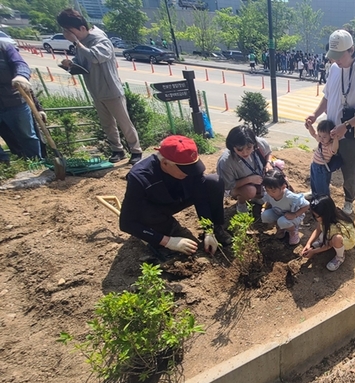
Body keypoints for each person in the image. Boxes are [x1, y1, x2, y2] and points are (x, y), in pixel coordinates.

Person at [119, 135, 231, 256]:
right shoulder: (140, 177)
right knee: (144, 212)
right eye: (185, 169)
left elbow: (201, 196)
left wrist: (209, 230)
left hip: (180, 198)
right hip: (157, 207)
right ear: (165, 163)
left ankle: (217, 229)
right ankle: (167, 229)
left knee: (213, 182)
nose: (191, 173)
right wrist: (168, 241)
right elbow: (126, 223)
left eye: (193, 167)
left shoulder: (190, 168)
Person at [56, 9, 142, 165]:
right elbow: (83, 60)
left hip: (111, 90)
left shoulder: (100, 40)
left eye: (69, 31)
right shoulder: (81, 44)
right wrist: (71, 64)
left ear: (82, 28)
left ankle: (136, 151)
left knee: (124, 123)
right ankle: (117, 150)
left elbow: (95, 57)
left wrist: (77, 42)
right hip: (95, 90)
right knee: (107, 123)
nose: (67, 35)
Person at [306, 29, 355, 215]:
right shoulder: (335, 68)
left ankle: (348, 200)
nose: (336, 60)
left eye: (340, 56)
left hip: (349, 133)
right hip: (330, 128)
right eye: (333, 55)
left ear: (352, 50)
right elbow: (327, 97)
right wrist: (314, 115)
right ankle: (320, 193)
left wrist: (346, 126)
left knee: (349, 167)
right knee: (323, 161)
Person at [0, 42, 43, 163]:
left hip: (14, 102)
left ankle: (36, 163)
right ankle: (5, 164)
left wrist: (21, 76)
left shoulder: (5, 48)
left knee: (27, 135)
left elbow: (20, 64)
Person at [216, 125, 273, 214]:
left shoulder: (259, 143)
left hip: (260, 180)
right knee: (250, 190)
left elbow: (268, 152)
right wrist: (249, 180)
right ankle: (241, 203)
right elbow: (228, 186)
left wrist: (268, 163)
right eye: (239, 149)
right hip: (239, 187)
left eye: (249, 148)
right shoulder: (226, 162)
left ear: (254, 143)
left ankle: (258, 197)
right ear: (232, 147)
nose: (245, 152)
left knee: (277, 176)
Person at [301, 195, 355, 271]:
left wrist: (313, 251)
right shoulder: (328, 216)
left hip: (341, 240)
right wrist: (308, 244)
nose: (314, 217)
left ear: (325, 214)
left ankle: (340, 256)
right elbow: (318, 230)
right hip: (331, 235)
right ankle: (323, 241)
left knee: (336, 239)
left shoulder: (335, 227)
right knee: (323, 232)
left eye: (316, 216)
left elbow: (329, 245)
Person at [260, 169, 310, 245]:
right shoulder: (269, 194)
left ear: (283, 187)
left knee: (283, 221)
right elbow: (268, 201)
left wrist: (295, 214)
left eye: (273, 191)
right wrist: (265, 207)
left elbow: (306, 205)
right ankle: (280, 227)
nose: (270, 193)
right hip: (279, 214)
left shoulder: (291, 197)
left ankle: (293, 231)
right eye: (267, 190)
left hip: (294, 217)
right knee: (265, 215)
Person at [305, 119, 339, 197]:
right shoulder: (320, 141)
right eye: (320, 136)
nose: (321, 138)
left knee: (321, 187)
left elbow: (334, 149)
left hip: (322, 168)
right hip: (314, 165)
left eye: (324, 137)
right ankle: (315, 197)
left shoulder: (329, 145)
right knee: (314, 183)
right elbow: (313, 133)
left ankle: (324, 202)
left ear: (330, 136)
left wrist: (336, 139)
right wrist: (310, 126)